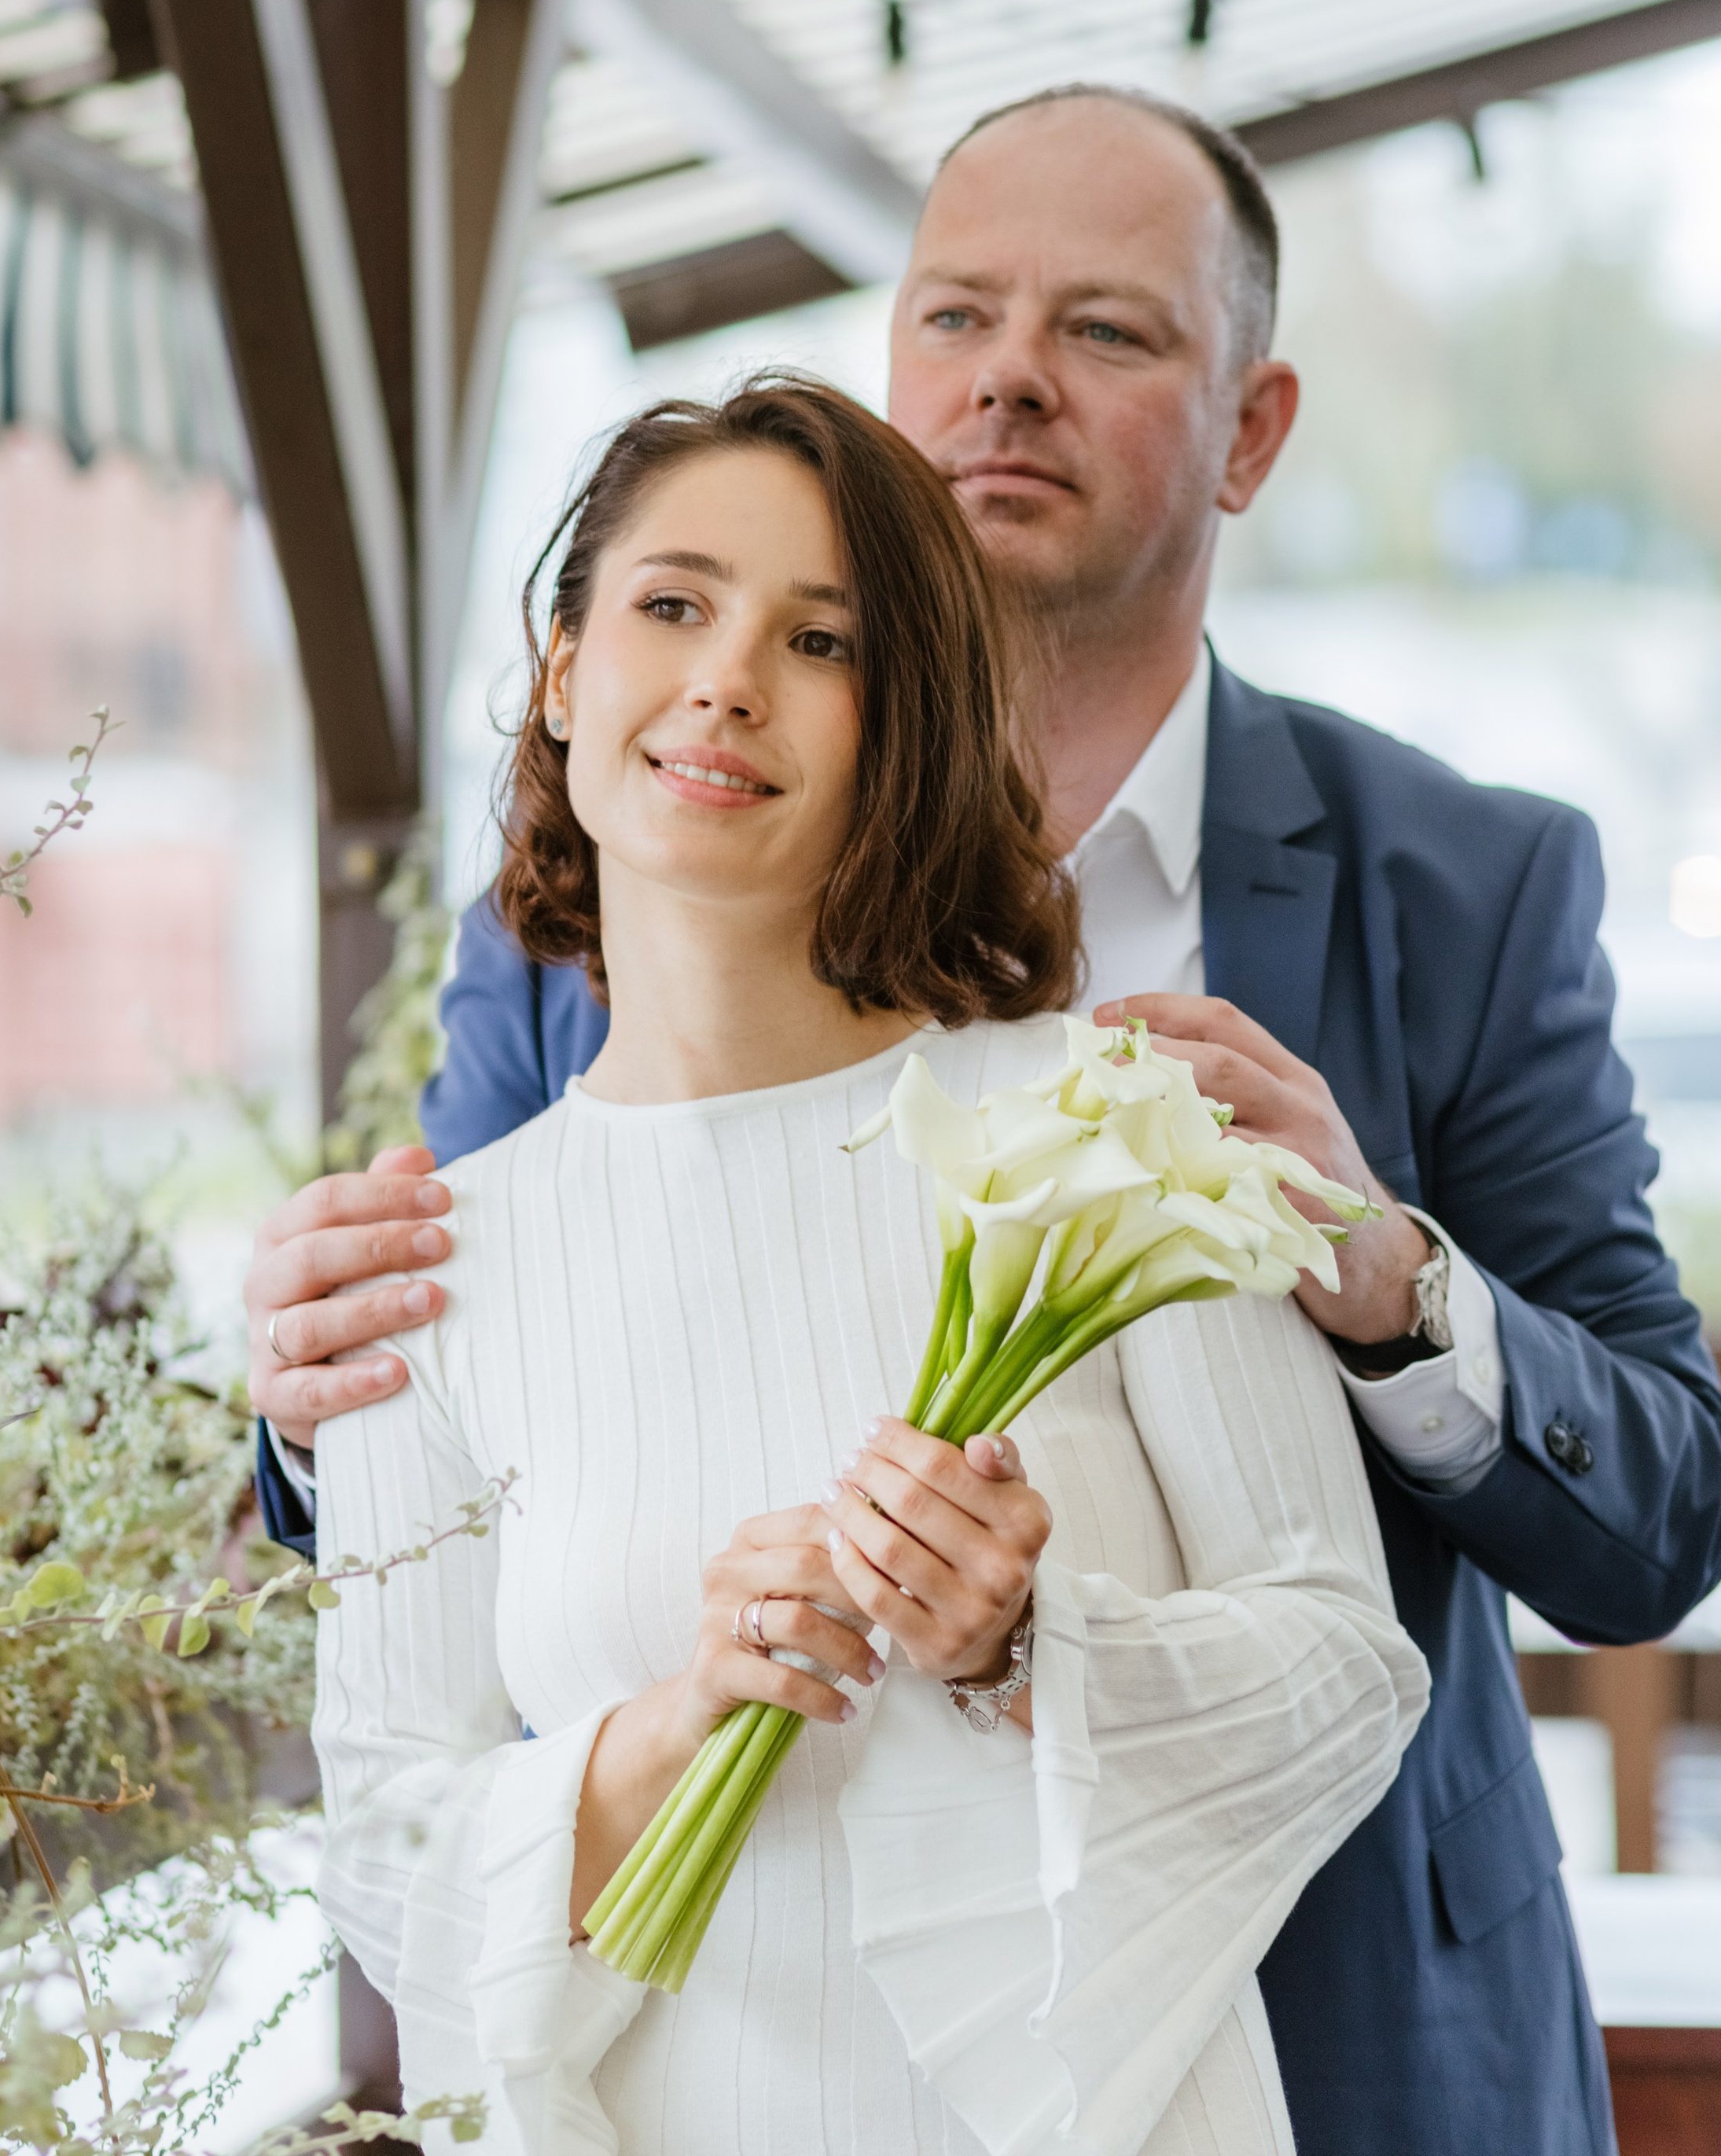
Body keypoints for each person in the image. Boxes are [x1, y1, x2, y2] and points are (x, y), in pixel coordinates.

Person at [256, 85, 1721, 2156]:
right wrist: (308, 1399)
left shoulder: (1458, 888)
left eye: (1107, 333)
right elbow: (489, 1403)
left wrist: (1379, 1274)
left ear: (1250, 428)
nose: (1008, 379)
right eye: (954, 315)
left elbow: (1660, 1517)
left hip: (1352, 2041)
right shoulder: (596, 928)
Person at [311, 375, 1428, 2155]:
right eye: (671, 605)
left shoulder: (1105, 1134)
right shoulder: (430, 1274)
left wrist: (1021, 1650)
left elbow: (1344, 1674)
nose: (726, 679)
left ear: (894, 719)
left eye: (817, 641)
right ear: (558, 667)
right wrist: (672, 1727)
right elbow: (383, 1840)